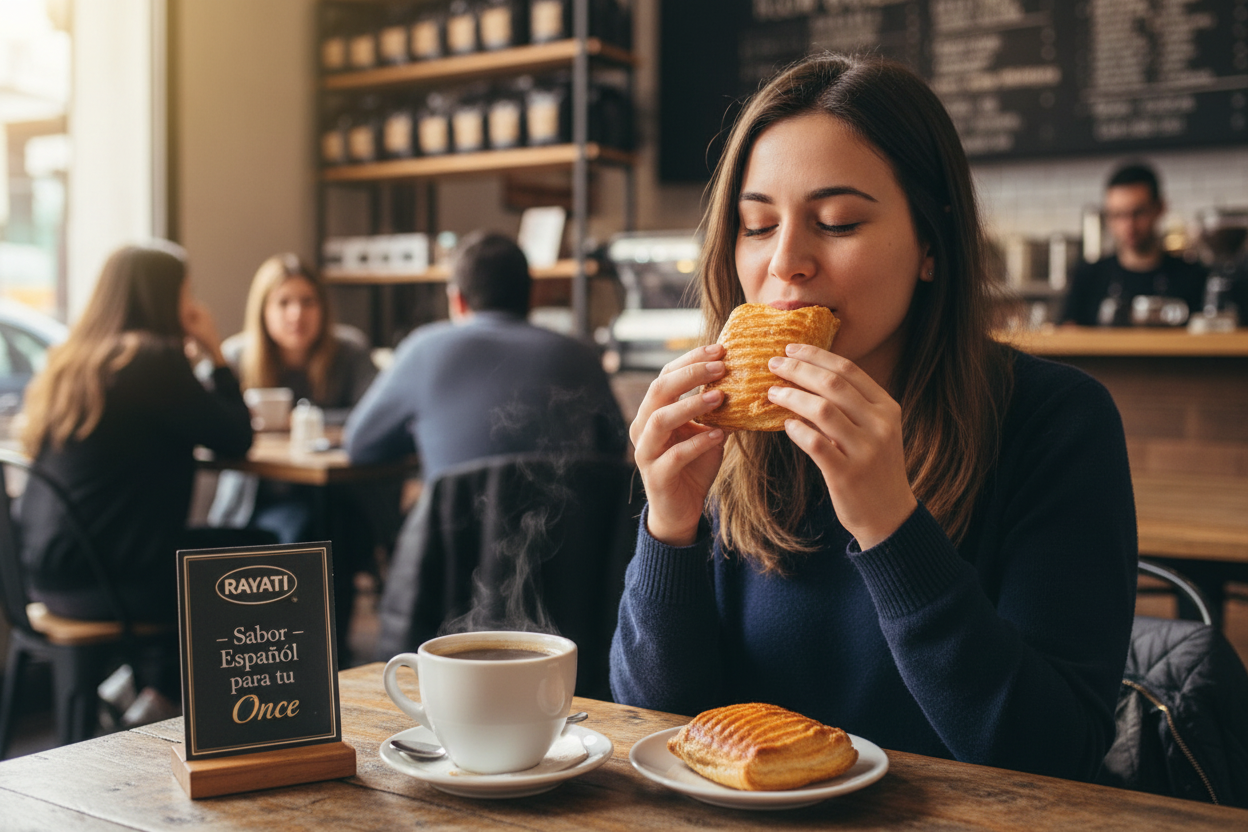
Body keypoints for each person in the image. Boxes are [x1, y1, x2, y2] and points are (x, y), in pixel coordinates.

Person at [610, 54, 1137, 783]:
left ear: (930, 242)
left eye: (837, 221)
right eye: (756, 225)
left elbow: (1053, 752)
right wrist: (669, 529)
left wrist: (891, 526)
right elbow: (661, 726)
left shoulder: (1056, 422)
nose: (785, 261)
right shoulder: (733, 440)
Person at [18, 242, 270, 698]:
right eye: (186, 293)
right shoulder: (151, 360)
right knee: (269, 556)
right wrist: (214, 353)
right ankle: (194, 704)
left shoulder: (74, 362)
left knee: (208, 546)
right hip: (113, 582)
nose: (192, 306)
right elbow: (236, 437)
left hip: (43, 577)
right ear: (162, 297)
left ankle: (147, 690)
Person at [208, 253, 381, 666]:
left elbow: (375, 414)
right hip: (256, 502)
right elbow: (206, 419)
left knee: (330, 525)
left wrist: (298, 420)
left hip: (340, 498)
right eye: (283, 302)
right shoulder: (235, 356)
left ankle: (324, 657)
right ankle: (293, 655)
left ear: (324, 308)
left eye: (308, 302)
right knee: (308, 529)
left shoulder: (349, 351)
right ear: (263, 309)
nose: (296, 314)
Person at [344, 231, 627, 480]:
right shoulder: (581, 355)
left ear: (457, 299)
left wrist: (430, 432)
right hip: (568, 537)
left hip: (457, 537)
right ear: (531, 295)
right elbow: (615, 449)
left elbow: (360, 445)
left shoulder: (425, 348)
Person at [1059, 162, 1207, 326]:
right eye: (1118, 215)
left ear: (1160, 208)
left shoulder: (1193, 276)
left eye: (1138, 213)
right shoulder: (1088, 276)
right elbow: (1067, 333)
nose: (1129, 225)